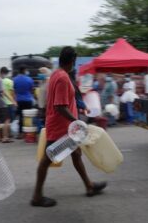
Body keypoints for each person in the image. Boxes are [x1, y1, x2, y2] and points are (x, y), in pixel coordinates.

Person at [31, 46, 107, 207]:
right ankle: (37, 196)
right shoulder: (63, 78)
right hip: (61, 129)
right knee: (46, 160)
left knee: (76, 154)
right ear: (72, 61)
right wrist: (77, 121)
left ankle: (89, 186)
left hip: (65, 128)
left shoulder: (56, 74)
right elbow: (60, 106)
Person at [0, 67, 13, 143]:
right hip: (1, 103)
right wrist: (12, 100)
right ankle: (5, 137)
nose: (6, 75)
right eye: (6, 73)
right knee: (7, 119)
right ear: (2, 73)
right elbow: (2, 92)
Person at [13, 66, 34, 139]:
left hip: (19, 100)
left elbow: (14, 90)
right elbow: (32, 89)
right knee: (28, 117)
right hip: (28, 100)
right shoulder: (29, 79)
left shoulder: (15, 79)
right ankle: (28, 133)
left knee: (20, 117)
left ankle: (20, 133)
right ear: (25, 70)